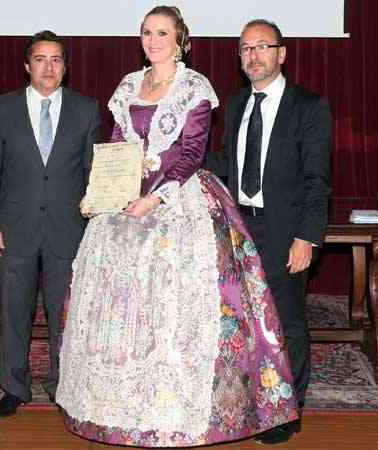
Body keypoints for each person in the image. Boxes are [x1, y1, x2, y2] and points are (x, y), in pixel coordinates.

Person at [56, 6, 297, 447]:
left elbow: (191, 154)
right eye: (147, 33)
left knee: (179, 306)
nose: (153, 41)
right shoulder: (128, 85)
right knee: (121, 308)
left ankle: (179, 410)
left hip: (181, 202)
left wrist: (155, 198)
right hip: (127, 204)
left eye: (162, 33)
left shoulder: (194, 87)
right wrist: (105, 193)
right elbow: (117, 146)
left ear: (180, 39)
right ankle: (116, 408)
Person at [206, 19, 332, 444]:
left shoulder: (309, 106)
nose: (253, 55)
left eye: (262, 46)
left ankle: (288, 412)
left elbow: (317, 180)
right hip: (239, 227)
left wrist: (306, 237)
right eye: (245, 48)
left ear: (282, 53)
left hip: (284, 230)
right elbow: (227, 162)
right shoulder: (237, 103)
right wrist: (180, 163)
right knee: (246, 320)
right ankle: (256, 403)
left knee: (286, 321)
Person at [0, 30, 101, 417]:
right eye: (41, 59)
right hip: (14, 228)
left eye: (56, 59)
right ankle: (13, 388)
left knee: (65, 315)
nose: (49, 67)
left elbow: (94, 172)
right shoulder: (1, 108)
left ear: (66, 67)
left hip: (69, 228)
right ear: (27, 66)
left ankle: (64, 388)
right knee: (15, 312)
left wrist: (100, 217)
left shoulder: (86, 109)